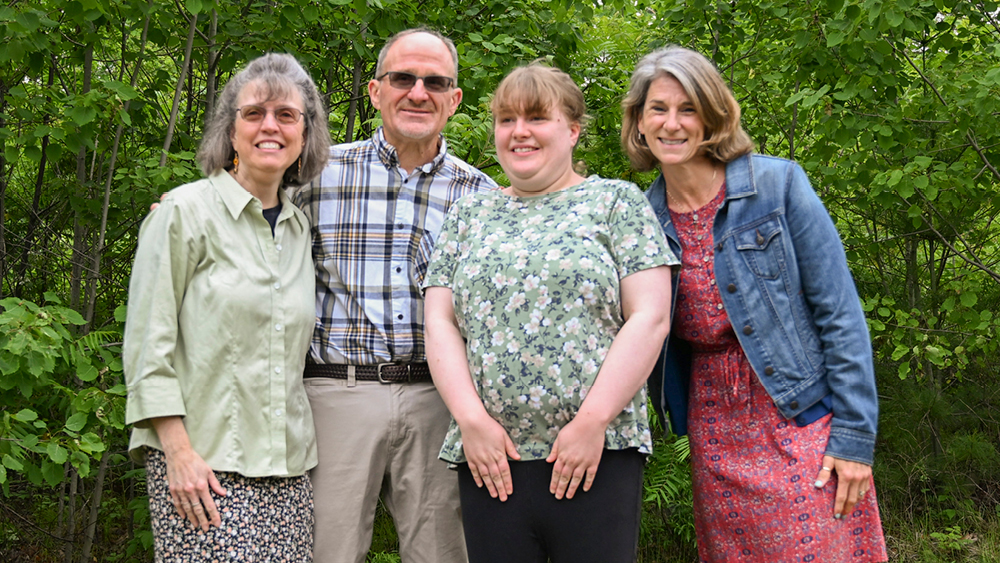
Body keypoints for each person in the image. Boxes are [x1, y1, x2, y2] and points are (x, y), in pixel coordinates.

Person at [621, 45, 888, 562]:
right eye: (658, 109)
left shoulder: (777, 185)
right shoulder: (640, 218)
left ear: (713, 117)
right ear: (638, 122)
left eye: (688, 108)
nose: (672, 124)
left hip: (800, 414)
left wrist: (853, 437)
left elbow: (840, 314)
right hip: (713, 425)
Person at [422, 63, 678, 563]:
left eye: (537, 117)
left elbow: (650, 317)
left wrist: (592, 422)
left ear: (573, 129)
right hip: (490, 459)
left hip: (594, 454)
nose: (519, 132)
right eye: (506, 119)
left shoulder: (614, 203)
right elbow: (440, 322)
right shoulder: (470, 214)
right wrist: (471, 421)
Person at [290, 28, 497, 563]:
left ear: (454, 100)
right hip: (337, 395)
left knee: (444, 554)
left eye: (435, 82)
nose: (418, 92)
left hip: (441, 403)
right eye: (402, 78)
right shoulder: (317, 174)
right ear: (374, 90)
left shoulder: (483, 197)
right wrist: (188, 201)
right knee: (326, 553)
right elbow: (243, 212)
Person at [124, 53, 331, 562]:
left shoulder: (298, 229)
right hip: (203, 466)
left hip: (288, 472)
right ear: (230, 131)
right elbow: (148, 347)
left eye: (287, 115)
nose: (270, 126)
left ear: (305, 135)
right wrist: (178, 453)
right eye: (254, 113)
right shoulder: (183, 213)